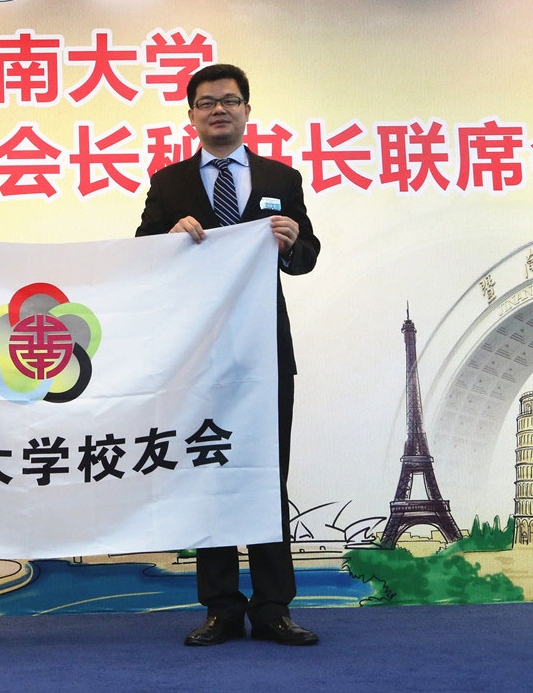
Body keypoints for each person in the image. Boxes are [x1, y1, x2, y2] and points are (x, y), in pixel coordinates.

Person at [135, 63, 321, 647]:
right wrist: (169, 240)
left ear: (246, 110)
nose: (219, 109)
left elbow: (308, 255)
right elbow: (141, 253)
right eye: (207, 102)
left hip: (265, 352)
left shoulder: (281, 177)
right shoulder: (169, 183)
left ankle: (274, 607)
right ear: (191, 115)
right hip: (198, 355)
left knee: (267, 477)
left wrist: (291, 243)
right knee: (208, 471)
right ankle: (220, 607)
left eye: (230, 100)